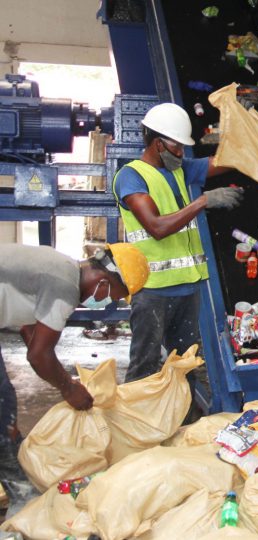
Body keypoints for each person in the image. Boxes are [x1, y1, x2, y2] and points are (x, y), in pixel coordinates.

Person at [0, 242, 149, 514]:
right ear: (103, 282)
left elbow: (28, 328)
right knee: (2, 410)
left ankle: (20, 484)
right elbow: (38, 356)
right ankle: (22, 497)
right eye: (115, 296)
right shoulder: (64, 286)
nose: (110, 302)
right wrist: (69, 388)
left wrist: (55, 371)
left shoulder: (61, 267)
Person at [112, 102, 244, 383]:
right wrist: (204, 201)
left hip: (186, 288)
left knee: (186, 365)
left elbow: (217, 164)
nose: (182, 154)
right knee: (145, 368)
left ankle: (184, 424)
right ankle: (136, 424)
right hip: (152, 291)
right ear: (158, 144)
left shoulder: (178, 170)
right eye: (177, 147)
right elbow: (156, 227)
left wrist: (248, 143)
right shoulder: (131, 177)